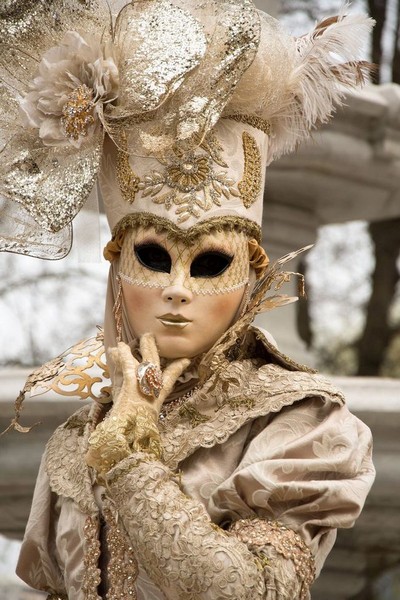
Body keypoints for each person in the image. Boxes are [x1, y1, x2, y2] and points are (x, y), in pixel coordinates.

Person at [0, 1, 375, 598]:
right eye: (153, 257)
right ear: (116, 268)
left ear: (250, 279)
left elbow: (257, 590)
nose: (177, 288)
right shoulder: (75, 441)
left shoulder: (299, 426)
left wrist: (133, 468)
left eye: (210, 263)